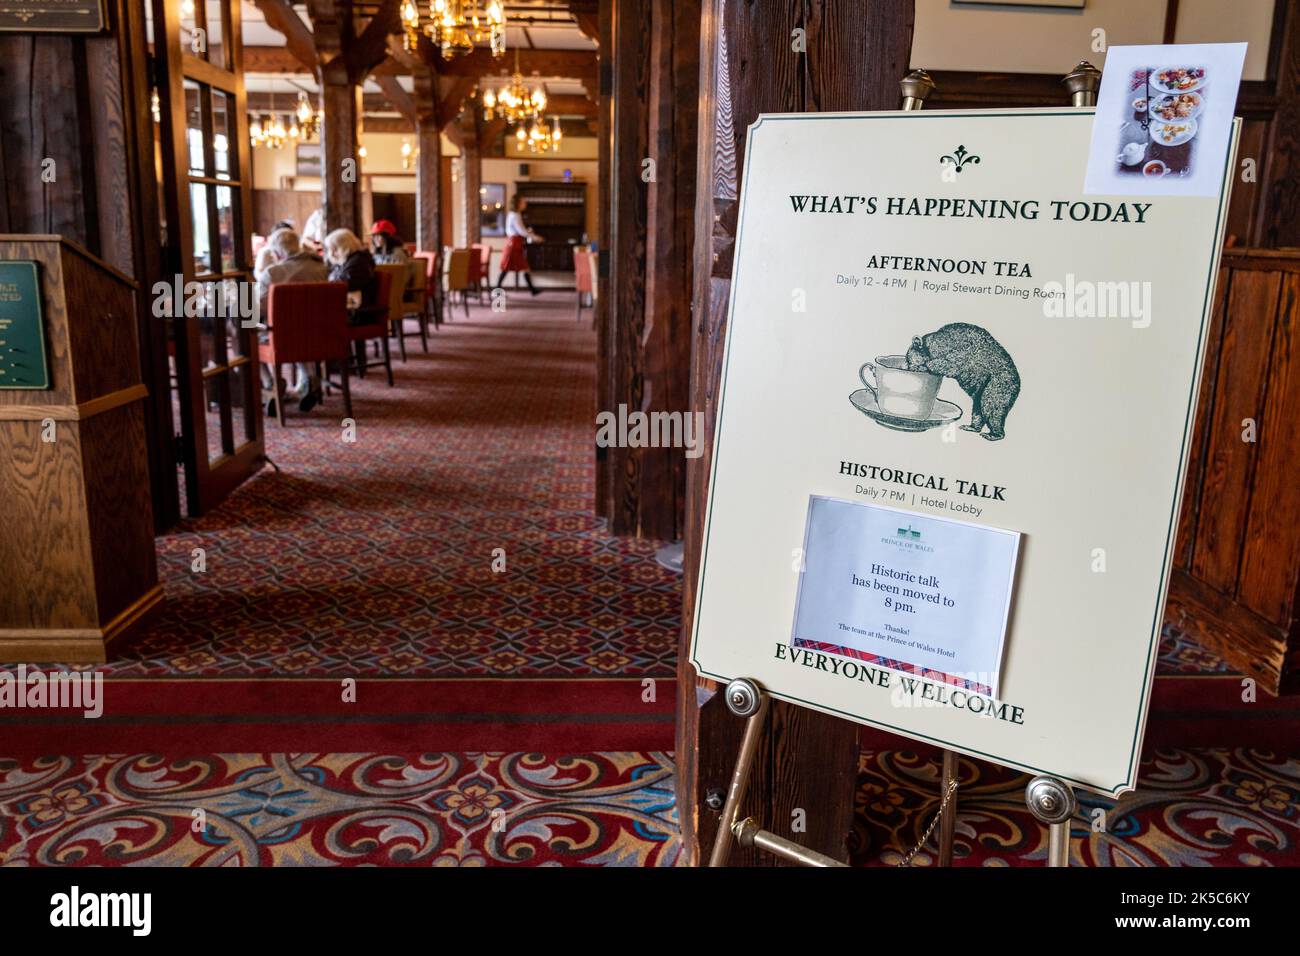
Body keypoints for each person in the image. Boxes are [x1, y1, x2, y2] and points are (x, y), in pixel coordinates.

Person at [257, 227, 330, 414]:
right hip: (319, 334)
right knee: (299, 327)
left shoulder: (272, 273)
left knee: (247, 337)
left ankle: (272, 384)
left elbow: (259, 308)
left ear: (277, 252)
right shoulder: (322, 269)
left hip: (283, 338)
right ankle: (309, 378)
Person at [324, 228, 378, 323]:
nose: (331, 253)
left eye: (334, 249)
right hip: (350, 309)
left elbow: (342, 286)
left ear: (345, 247)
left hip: (359, 313)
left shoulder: (358, 262)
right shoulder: (348, 261)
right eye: (330, 249)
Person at [496, 194, 542, 295]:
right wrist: (535, 237)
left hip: (514, 245)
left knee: (523, 268)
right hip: (513, 246)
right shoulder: (515, 215)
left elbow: (521, 231)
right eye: (523, 202)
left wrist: (530, 234)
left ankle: (532, 290)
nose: (525, 204)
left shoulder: (515, 214)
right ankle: (497, 291)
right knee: (506, 268)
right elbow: (522, 232)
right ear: (518, 203)